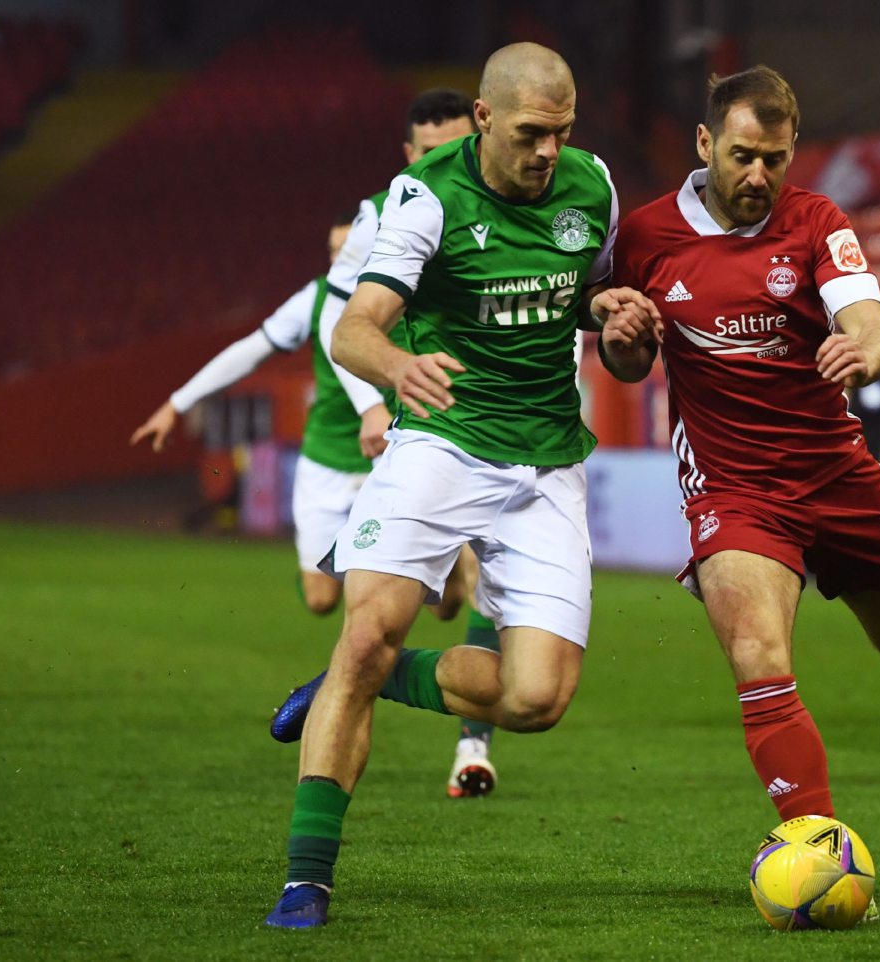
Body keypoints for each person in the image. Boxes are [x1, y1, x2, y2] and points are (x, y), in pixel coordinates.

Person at [263, 43, 658, 929]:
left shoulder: (592, 187)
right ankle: (305, 880)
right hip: (442, 442)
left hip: (547, 460)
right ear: (484, 120)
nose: (549, 152)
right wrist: (401, 367)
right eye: (530, 134)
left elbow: (608, 328)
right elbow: (354, 330)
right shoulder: (425, 197)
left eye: (561, 133)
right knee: (367, 627)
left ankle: (355, 678)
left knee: (537, 700)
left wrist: (621, 326)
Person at [600, 66, 880, 890]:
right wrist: (623, 335)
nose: (759, 176)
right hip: (735, 488)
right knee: (758, 653)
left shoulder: (816, 220)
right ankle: (817, 859)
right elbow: (627, 357)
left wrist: (865, 347)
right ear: (704, 144)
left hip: (837, 471)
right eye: (744, 156)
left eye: (777, 159)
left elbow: (872, 322)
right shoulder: (646, 238)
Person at [269, 90, 506, 803]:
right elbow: (344, 320)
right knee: (392, 616)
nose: (442, 162)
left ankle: (464, 740)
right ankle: (310, 874)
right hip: (431, 430)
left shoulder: (538, 195)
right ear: (408, 156)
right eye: (427, 151)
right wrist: (376, 399)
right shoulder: (389, 214)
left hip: (526, 430)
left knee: (525, 665)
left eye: (454, 146)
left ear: (484, 132)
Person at [129, 210, 391, 617]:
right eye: (334, 250)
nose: (341, 259)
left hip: (389, 458)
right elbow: (250, 351)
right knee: (322, 600)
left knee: (414, 604)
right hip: (327, 459)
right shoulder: (316, 299)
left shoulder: (401, 299)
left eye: (350, 249)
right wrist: (176, 404)